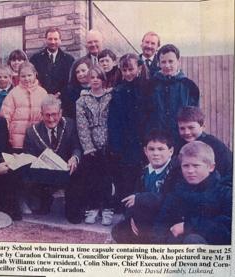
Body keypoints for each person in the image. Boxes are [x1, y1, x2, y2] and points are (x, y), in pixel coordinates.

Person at [152, 141, 232, 245]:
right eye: (185, 166)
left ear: (211, 167)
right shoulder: (177, 193)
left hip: (207, 250)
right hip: (176, 250)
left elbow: (226, 228)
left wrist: (188, 227)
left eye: (195, 165)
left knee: (192, 239)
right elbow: (161, 223)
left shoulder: (224, 193)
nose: (190, 170)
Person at [23, 95, 83, 223]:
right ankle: (43, 200)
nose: (51, 119)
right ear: (41, 114)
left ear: (60, 113)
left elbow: (76, 147)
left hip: (67, 170)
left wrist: (74, 158)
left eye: (55, 114)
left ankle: (72, 207)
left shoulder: (70, 125)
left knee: (79, 173)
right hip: (44, 173)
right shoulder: (31, 132)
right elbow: (29, 156)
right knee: (40, 209)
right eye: (47, 115)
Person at [111, 130, 177, 243]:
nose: (156, 153)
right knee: (119, 230)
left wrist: (141, 198)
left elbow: (170, 199)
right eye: (151, 149)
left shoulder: (175, 171)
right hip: (145, 216)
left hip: (165, 219)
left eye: (161, 149)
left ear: (170, 151)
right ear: (145, 151)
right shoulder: (144, 171)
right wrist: (131, 217)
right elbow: (132, 197)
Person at [108, 53, 150, 208]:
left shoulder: (147, 89)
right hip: (125, 142)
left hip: (142, 139)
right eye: (124, 70)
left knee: (141, 175)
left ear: (139, 68)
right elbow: (114, 120)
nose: (127, 73)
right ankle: (126, 207)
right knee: (125, 175)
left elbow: (150, 115)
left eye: (131, 69)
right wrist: (116, 144)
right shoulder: (118, 91)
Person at [76, 64, 113, 224]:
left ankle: (107, 209)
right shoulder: (82, 100)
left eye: (98, 77)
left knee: (107, 178)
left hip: (108, 143)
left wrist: (112, 143)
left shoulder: (111, 97)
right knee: (92, 179)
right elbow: (81, 125)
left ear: (103, 79)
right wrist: (88, 146)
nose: (95, 80)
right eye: (92, 77)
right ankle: (93, 208)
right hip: (91, 145)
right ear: (88, 80)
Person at [147, 44, 200, 145]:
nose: (167, 65)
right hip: (158, 142)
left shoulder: (189, 86)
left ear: (178, 61)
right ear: (158, 63)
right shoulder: (151, 85)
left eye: (171, 61)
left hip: (181, 141)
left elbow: (195, 117)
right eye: (163, 62)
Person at [176, 106, 233, 185]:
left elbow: (229, 171)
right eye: (182, 128)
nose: (187, 132)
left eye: (191, 127)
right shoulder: (178, 145)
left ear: (202, 127)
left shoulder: (215, 145)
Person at [0, 62, 47, 152]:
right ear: (19, 77)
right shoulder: (14, 93)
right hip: (17, 141)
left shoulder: (43, 93)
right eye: (23, 76)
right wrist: (8, 137)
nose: (27, 78)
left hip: (38, 139)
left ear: (35, 74)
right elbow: (5, 117)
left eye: (29, 75)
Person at [29, 27, 74, 95]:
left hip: (63, 99)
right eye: (50, 39)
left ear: (60, 40)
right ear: (45, 40)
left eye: (55, 39)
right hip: (40, 98)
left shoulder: (69, 60)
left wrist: (60, 94)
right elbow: (32, 80)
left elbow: (71, 82)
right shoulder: (35, 59)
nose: (53, 42)